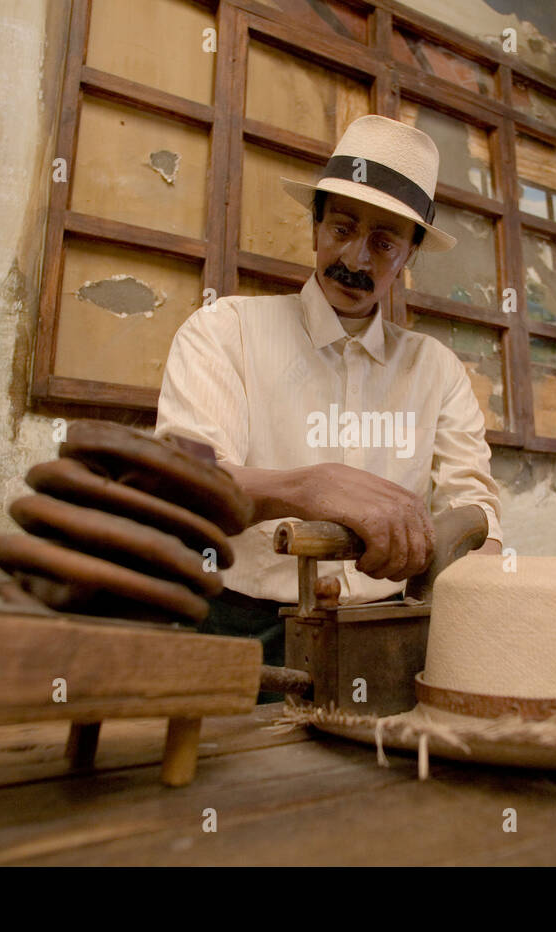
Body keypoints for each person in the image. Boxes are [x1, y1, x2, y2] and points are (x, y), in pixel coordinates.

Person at [155, 114, 503, 666]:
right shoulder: (224, 331)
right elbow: (187, 486)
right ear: (315, 224)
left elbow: (473, 507)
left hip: (385, 634)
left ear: (409, 256)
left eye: (384, 244)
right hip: (240, 629)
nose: (355, 259)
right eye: (342, 229)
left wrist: (464, 548)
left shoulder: (436, 370)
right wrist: (310, 487)